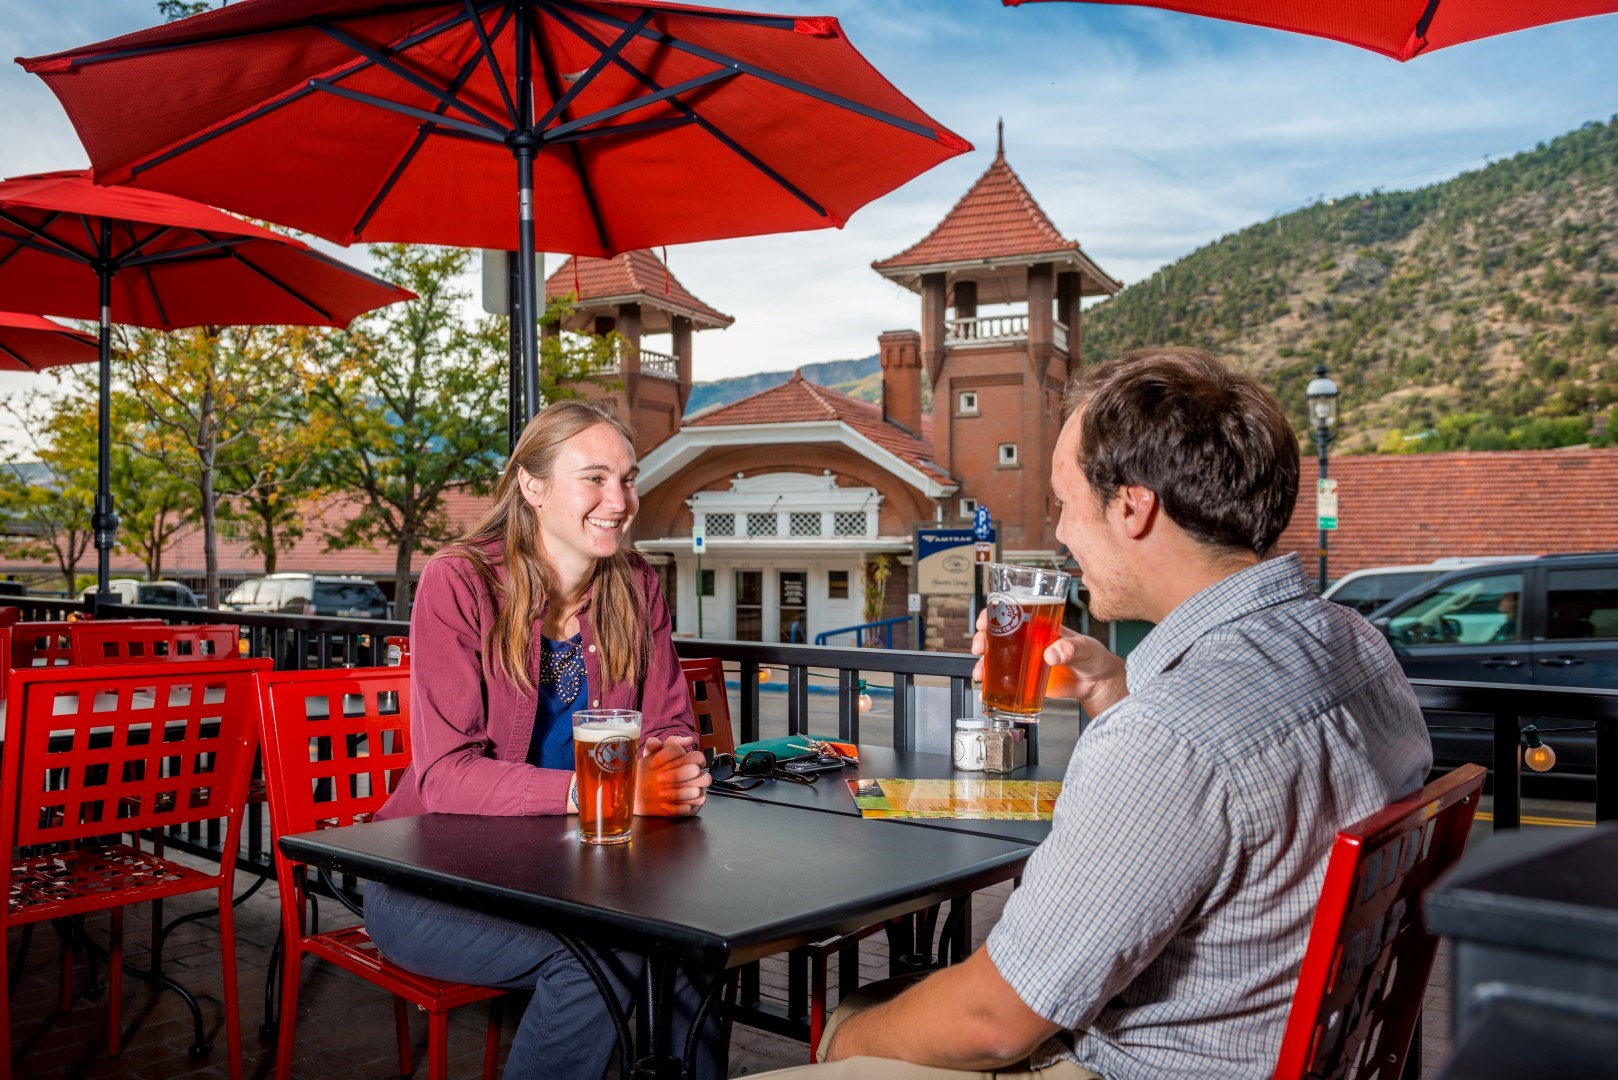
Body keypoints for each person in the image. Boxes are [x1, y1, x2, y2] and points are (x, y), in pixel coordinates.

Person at [762, 347, 1433, 1079]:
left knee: (857, 1021)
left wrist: (839, 1047)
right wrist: (1113, 689)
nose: (1059, 534)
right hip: (1300, 1052)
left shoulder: (1170, 736)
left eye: (1064, 502)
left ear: (1132, 507)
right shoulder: (1355, 644)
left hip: (1132, 1066)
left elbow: (996, 1022)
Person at [365, 399, 718, 1080]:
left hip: (569, 871)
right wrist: (611, 788)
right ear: (533, 486)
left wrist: (673, 767)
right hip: (429, 879)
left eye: (628, 478)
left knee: (693, 945)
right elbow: (445, 776)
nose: (619, 500)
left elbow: (673, 725)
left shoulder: (636, 584)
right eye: (594, 478)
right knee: (598, 958)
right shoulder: (459, 581)